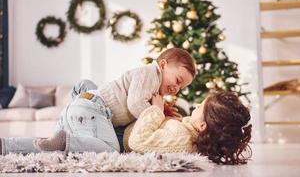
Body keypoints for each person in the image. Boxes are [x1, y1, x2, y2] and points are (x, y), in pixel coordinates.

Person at [0, 48, 196, 155]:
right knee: (110, 149)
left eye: (181, 88)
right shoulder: (150, 74)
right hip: (93, 109)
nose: (176, 89)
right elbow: (135, 105)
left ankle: (6, 146)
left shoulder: (153, 86)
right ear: (163, 64)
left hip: (81, 108)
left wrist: (160, 108)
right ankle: (66, 140)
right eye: (177, 80)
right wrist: (157, 115)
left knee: (49, 150)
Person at [124, 91, 252, 165]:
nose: (196, 105)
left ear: (202, 125)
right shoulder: (187, 133)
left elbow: (138, 141)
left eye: (200, 106)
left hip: (120, 135)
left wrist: (156, 110)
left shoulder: (183, 139)